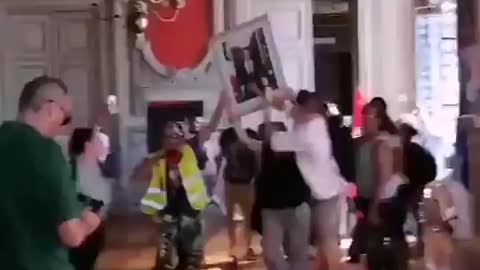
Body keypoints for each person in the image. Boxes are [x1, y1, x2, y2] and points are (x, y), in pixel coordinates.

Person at [0, 76, 101, 270]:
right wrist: (91, 221)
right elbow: (72, 236)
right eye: (66, 116)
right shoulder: (47, 152)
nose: (66, 124)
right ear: (51, 108)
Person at [269, 90, 346, 270]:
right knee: (325, 241)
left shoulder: (314, 126)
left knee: (327, 241)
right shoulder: (310, 125)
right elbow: (295, 115)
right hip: (327, 191)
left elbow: (279, 142)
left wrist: (277, 102)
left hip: (327, 194)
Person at [135, 122, 210, 270]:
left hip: (191, 215)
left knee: (192, 261)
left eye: (176, 136)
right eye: (167, 136)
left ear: (183, 139)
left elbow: (208, 130)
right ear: (162, 140)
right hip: (167, 217)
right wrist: (154, 160)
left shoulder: (191, 152)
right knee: (166, 261)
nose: (171, 140)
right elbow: (137, 177)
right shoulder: (156, 158)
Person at [257, 121, 311, 270]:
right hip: (271, 209)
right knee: (271, 254)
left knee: (298, 255)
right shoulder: (263, 154)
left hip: (296, 207)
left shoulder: (297, 153)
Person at [362, 103, 409, 270]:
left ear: (379, 120)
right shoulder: (394, 138)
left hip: (387, 196)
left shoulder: (380, 143)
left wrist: (374, 206)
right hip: (400, 190)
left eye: (369, 117)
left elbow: (383, 177)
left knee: (377, 242)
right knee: (396, 237)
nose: (365, 121)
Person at [68, 128, 112, 270]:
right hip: (83, 230)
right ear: (87, 145)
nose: (102, 144)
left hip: (96, 229)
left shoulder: (97, 167)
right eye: (97, 140)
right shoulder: (73, 169)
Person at [219, 127, 259, 260]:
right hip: (246, 183)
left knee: (232, 219)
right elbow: (257, 164)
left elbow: (223, 156)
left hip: (230, 182)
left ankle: (233, 248)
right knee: (247, 219)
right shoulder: (250, 137)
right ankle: (246, 249)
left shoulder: (228, 135)